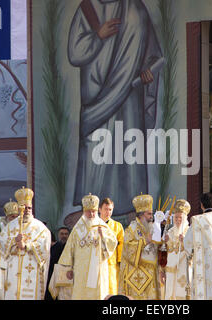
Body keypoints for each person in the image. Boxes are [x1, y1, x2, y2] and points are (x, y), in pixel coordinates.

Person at [68, 0, 163, 217]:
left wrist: (148, 69)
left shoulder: (136, 8)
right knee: (96, 148)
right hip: (96, 96)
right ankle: (92, 208)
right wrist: (98, 36)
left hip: (129, 94)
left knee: (127, 144)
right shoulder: (88, 9)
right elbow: (74, 54)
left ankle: (132, 208)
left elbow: (153, 52)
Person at [57, 193, 117, 300]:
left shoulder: (102, 226)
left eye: (93, 211)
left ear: (97, 211)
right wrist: (69, 268)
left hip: (98, 270)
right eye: (88, 211)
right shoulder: (77, 229)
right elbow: (69, 249)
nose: (91, 214)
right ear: (84, 211)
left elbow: (113, 243)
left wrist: (103, 236)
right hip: (80, 271)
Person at [0, 187, 51, 300]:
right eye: (23, 207)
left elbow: (44, 247)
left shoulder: (40, 227)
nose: (26, 210)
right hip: (13, 269)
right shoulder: (10, 226)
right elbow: (2, 243)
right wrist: (14, 241)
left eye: (29, 208)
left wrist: (27, 246)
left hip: (31, 268)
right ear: (18, 208)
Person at [118, 193, 160, 300]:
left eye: (152, 214)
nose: (151, 217)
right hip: (135, 276)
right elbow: (128, 250)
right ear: (141, 215)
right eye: (149, 214)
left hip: (150, 274)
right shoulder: (131, 229)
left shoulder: (151, 228)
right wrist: (145, 241)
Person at [163, 199, 192, 300]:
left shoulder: (189, 231)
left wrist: (185, 241)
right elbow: (169, 251)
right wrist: (166, 242)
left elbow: (193, 251)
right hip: (171, 270)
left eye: (180, 217)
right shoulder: (170, 232)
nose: (178, 220)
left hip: (184, 269)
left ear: (184, 218)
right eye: (176, 217)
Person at [99, 198, 124, 295]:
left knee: (112, 290)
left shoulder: (118, 226)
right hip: (98, 262)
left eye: (110, 209)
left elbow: (122, 245)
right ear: (100, 209)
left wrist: (120, 262)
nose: (108, 212)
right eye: (106, 209)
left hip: (112, 264)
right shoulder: (94, 224)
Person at [45, 226, 70, 300]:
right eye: (62, 234)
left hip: (67, 277)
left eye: (66, 234)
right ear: (58, 235)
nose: (64, 236)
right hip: (54, 276)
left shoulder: (71, 248)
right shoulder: (53, 248)